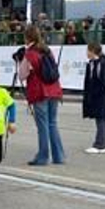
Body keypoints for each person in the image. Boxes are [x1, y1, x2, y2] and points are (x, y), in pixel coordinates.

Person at [20, 25, 65, 166]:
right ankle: (59, 155)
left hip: (40, 92)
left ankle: (43, 156)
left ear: (27, 38)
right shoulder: (47, 50)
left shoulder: (30, 54)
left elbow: (22, 75)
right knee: (52, 123)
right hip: (54, 90)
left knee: (42, 126)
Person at [82, 43, 105, 154]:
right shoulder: (92, 64)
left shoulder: (102, 64)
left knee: (101, 119)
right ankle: (103, 142)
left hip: (100, 96)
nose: (86, 53)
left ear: (93, 51)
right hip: (94, 96)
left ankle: (100, 144)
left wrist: (98, 90)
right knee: (101, 119)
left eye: (88, 51)